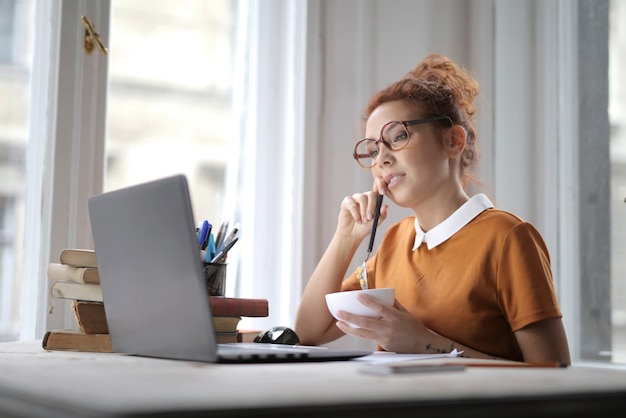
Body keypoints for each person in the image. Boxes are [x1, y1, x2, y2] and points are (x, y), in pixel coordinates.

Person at [294, 54, 571, 364]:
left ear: (453, 141)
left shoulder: (508, 238)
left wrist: (427, 344)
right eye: (373, 149)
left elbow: (552, 371)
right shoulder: (394, 242)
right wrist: (345, 238)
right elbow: (308, 332)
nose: (381, 159)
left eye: (398, 136)